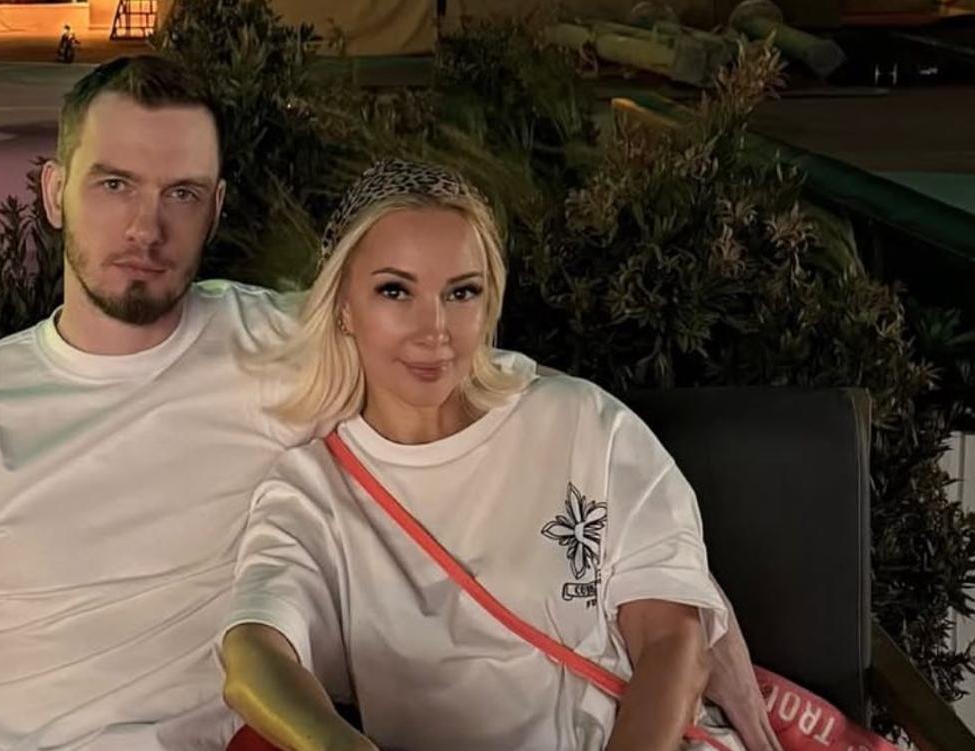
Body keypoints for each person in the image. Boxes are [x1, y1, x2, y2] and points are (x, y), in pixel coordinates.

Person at [0, 56, 777, 751]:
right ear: (55, 192)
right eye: (114, 184)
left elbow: (493, 398)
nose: (145, 225)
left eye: (181, 193)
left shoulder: (286, 345)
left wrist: (692, 616)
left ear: (217, 207)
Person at [220, 160, 748, 751]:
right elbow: (254, 655)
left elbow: (673, 642)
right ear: (344, 304)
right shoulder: (312, 490)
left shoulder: (582, 423)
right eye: (395, 291)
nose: (434, 329)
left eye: (461, 292)